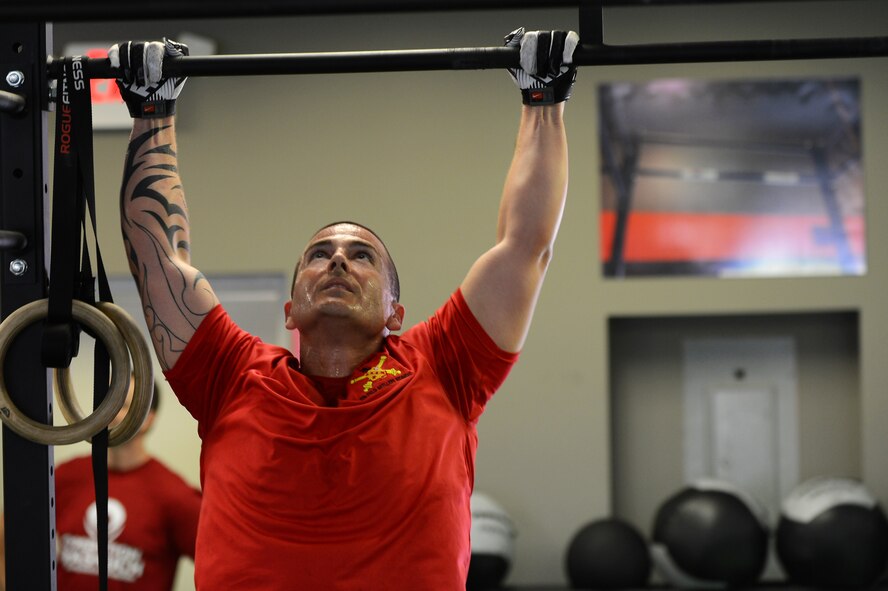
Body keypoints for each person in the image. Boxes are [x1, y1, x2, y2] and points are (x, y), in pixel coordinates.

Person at [111, 28, 577, 590]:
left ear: (395, 313)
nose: (337, 261)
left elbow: (527, 245)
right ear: (289, 310)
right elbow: (155, 257)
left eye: (362, 256)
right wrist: (151, 111)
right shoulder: (232, 376)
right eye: (319, 255)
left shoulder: (446, 366)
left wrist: (543, 101)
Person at [0, 380, 202, 590]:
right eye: (108, 405)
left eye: (123, 406)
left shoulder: (173, 495)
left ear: (148, 419)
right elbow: (7, 533)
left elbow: (221, 559)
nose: (111, 415)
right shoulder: (67, 476)